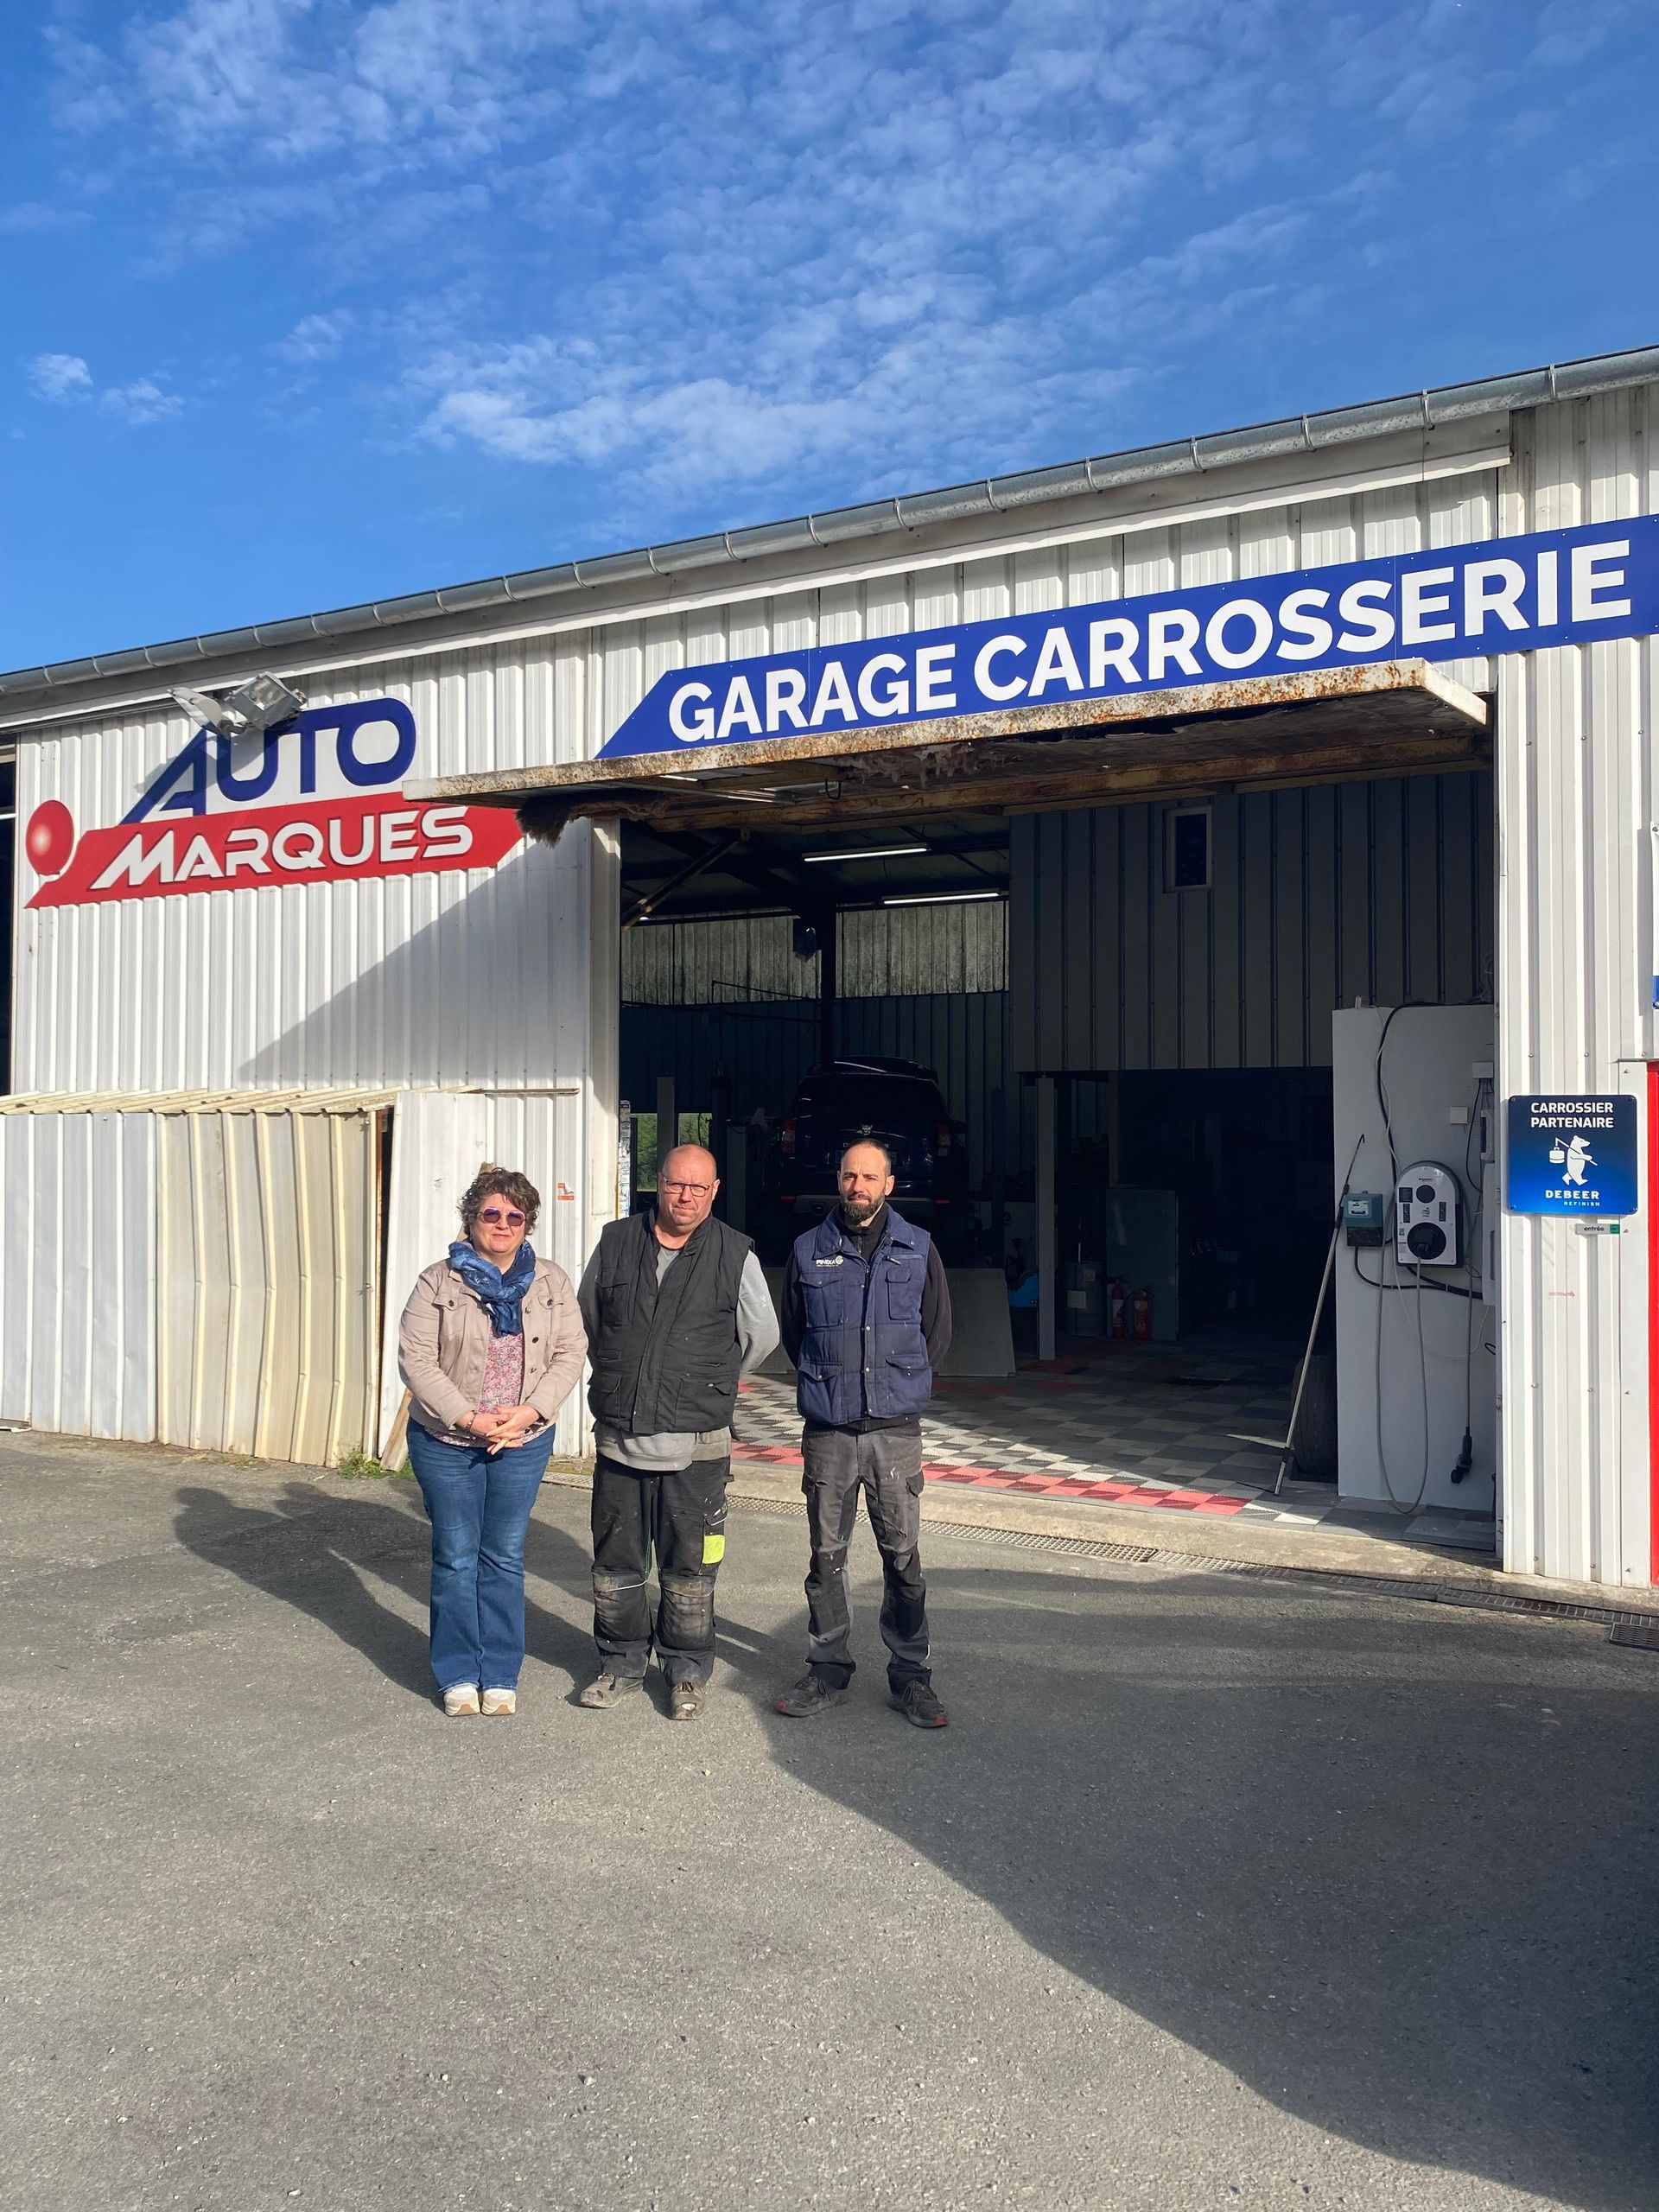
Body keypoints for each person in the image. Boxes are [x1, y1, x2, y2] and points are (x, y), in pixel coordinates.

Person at [576, 1143, 779, 1719]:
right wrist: (630, 1369)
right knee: (616, 1568)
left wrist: (706, 1378)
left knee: (690, 1572)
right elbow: (588, 1315)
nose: (685, 1196)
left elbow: (760, 1336)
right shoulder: (616, 1243)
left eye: (698, 1187)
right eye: (674, 1184)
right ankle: (619, 1666)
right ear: (657, 1184)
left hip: (698, 1448)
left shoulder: (735, 1254)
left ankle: (686, 1673)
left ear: (714, 1192)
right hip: (622, 1441)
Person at [774, 1139, 952, 1729]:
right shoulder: (808, 1251)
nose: (858, 1186)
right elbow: (795, 1334)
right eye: (850, 1175)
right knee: (827, 1557)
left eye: (869, 1177)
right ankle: (827, 1668)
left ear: (889, 1184)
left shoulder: (919, 1249)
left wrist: (892, 1389)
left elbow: (936, 1335)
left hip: (895, 1433)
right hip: (829, 1430)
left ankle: (911, 1675)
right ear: (839, 1179)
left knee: (902, 1558)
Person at [397, 1166, 586, 1717]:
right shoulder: (438, 1281)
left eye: (514, 1215)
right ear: (471, 1219)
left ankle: (500, 1670)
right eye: (491, 1213)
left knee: (503, 1556)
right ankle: (457, 1673)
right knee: (456, 1557)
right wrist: (471, 1419)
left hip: (523, 1440)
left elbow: (570, 1353)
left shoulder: (551, 1281)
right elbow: (417, 1360)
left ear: (527, 1224)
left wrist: (529, 1411)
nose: (502, 1223)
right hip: (447, 1442)